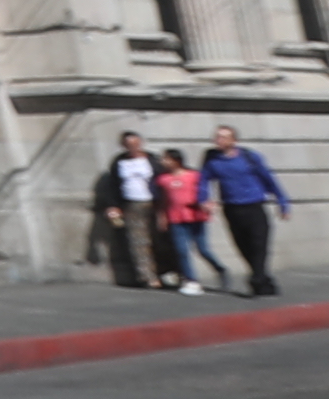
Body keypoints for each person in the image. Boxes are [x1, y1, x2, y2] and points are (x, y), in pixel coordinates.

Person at [204, 127, 292, 298]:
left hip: (254, 206)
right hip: (232, 208)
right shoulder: (212, 160)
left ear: (233, 140)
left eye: (223, 137)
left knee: (259, 245)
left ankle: (257, 278)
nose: (218, 140)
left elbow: (269, 179)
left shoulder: (249, 157)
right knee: (243, 247)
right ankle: (264, 281)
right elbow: (203, 180)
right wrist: (204, 199)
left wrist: (283, 202)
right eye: (217, 137)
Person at [96, 131, 164, 287]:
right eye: (129, 145)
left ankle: (166, 271)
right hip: (132, 204)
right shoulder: (119, 162)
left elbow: (163, 179)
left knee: (159, 239)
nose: (133, 147)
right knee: (138, 241)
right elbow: (113, 185)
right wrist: (113, 205)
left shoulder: (152, 160)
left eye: (135, 144)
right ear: (123, 146)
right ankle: (148, 276)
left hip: (154, 203)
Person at [156, 139, 222, 293]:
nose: (163, 162)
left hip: (195, 216)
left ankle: (220, 269)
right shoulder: (163, 180)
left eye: (166, 159)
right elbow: (163, 201)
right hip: (176, 218)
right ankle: (191, 280)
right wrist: (162, 217)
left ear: (176, 161)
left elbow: (205, 191)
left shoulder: (194, 175)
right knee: (181, 250)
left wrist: (208, 204)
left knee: (203, 249)